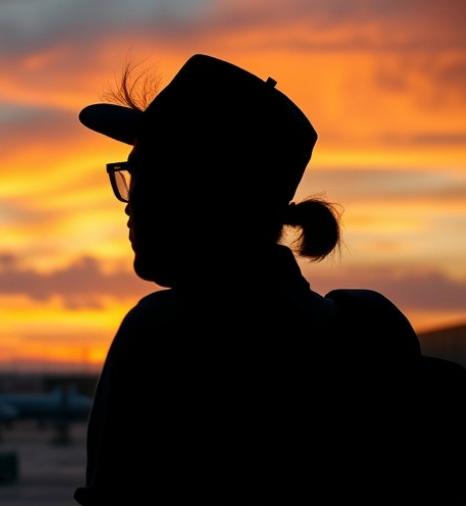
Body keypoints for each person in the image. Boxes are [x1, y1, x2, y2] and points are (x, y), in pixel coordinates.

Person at [73, 54, 466, 505]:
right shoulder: (370, 332)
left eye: (140, 175)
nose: (127, 201)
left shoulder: (164, 333)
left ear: (197, 191)